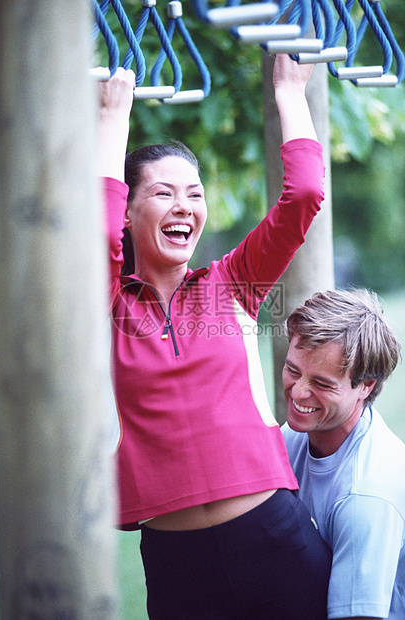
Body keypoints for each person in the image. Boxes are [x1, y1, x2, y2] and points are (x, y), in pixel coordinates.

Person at [98, 54, 332, 620]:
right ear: (129, 213)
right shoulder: (104, 304)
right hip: (177, 564)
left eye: (195, 193)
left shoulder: (232, 283)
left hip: (274, 537)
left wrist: (289, 93)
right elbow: (95, 230)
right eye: (162, 194)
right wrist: (113, 118)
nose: (184, 206)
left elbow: (302, 196)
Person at [281, 289, 405, 620]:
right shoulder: (297, 431)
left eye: (321, 383)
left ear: (366, 385)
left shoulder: (365, 496)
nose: (298, 392)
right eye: (293, 370)